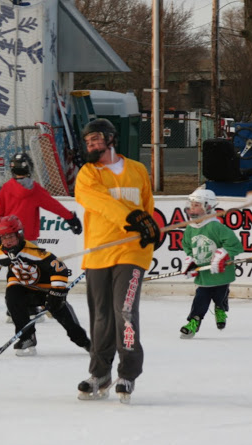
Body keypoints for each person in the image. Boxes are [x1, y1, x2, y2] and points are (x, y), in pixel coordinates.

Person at [73, 118, 159, 404]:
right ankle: (99, 374)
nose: (91, 145)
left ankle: (128, 373)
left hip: (132, 252)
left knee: (125, 311)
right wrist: (131, 217)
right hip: (99, 252)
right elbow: (101, 202)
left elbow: (147, 209)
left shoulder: (137, 169)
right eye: (88, 142)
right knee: (101, 317)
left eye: (96, 139)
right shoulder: (88, 174)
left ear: (111, 138)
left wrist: (150, 232)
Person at [0, 215, 91, 356]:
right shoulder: (1, 252)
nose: (7, 241)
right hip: (23, 289)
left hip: (45, 290)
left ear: (19, 234)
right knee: (12, 296)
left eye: (10, 236)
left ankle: (86, 343)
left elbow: (60, 269)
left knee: (64, 317)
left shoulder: (33, 252)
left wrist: (57, 293)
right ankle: (27, 337)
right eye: (3, 237)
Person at [178, 188, 244, 339]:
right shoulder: (190, 228)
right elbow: (187, 246)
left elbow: (236, 245)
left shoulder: (216, 227)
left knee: (220, 295)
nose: (191, 208)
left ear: (207, 207)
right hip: (204, 275)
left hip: (221, 273)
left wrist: (223, 254)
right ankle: (194, 322)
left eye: (196, 205)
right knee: (201, 297)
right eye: (191, 205)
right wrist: (191, 260)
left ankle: (220, 309)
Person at [0, 152, 82, 245]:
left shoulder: (6, 188)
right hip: (28, 238)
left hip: (8, 237)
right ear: (29, 168)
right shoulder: (35, 189)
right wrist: (71, 218)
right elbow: (53, 205)